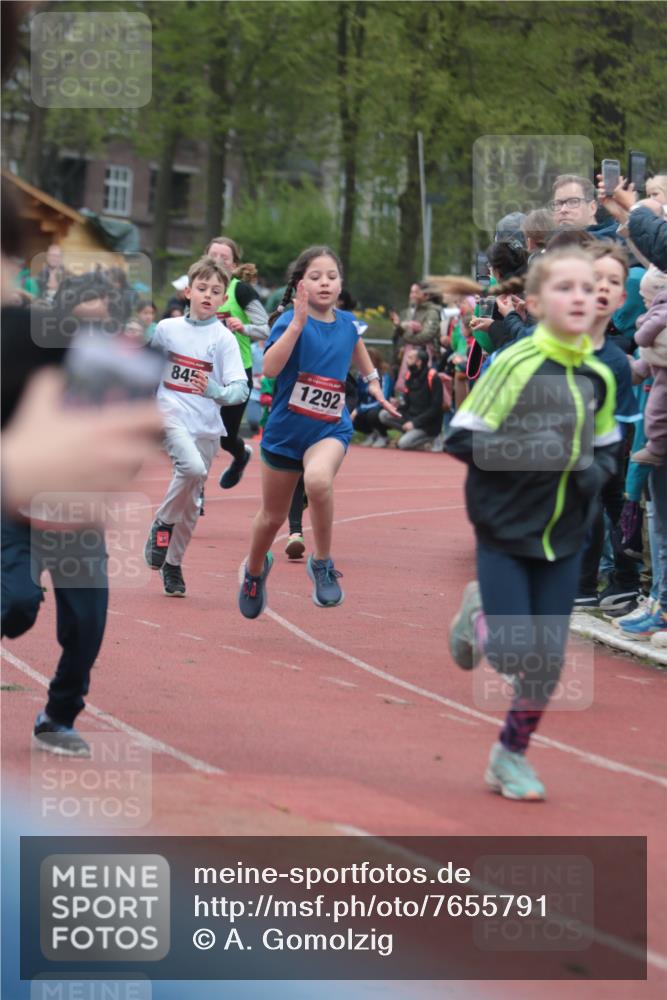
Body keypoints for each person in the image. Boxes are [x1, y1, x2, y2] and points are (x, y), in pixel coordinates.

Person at [446, 246, 621, 801]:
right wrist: (535, 451)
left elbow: (608, 449)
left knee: (546, 664)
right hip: (505, 529)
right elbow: (460, 437)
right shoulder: (515, 364)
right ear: (539, 302)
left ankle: (510, 756)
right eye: (565, 288)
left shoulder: (598, 376)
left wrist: (594, 474)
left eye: (588, 288)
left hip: (566, 537)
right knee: (515, 652)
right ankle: (480, 614)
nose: (580, 297)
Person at [238, 245, 399, 618]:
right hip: (285, 432)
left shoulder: (346, 323)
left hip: (329, 427)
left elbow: (357, 349)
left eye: (331, 276)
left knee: (318, 481)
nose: (324, 283)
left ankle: (322, 562)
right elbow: (273, 369)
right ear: (300, 285)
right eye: (315, 277)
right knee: (271, 518)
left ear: (340, 284)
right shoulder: (288, 322)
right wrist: (295, 325)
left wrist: (373, 382)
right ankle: (254, 571)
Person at [144, 256, 248, 596]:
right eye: (201, 288)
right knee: (188, 469)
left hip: (205, 426)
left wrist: (215, 390)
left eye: (215, 291)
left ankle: (173, 565)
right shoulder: (166, 329)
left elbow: (240, 389)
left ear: (222, 299)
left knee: (191, 506)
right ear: (188, 292)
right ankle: (161, 523)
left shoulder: (224, 340)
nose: (207, 295)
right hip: (170, 414)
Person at [575, 241, 641, 610]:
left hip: (611, 431)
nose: (602, 287)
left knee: (603, 496)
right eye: (594, 278)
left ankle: (610, 580)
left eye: (612, 282)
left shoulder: (615, 354)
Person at [206, 237, 270, 489]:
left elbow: (267, 328)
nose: (218, 262)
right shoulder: (197, 286)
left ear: (233, 266)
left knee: (225, 437)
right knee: (199, 433)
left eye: (225, 258)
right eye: (214, 256)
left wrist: (244, 327)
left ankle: (240, 455)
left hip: (235, 371)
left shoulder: (240, 291)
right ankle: (195, 490)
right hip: (202, 369)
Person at [630, 267, 667, 466]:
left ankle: (657, 448)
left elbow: (644, 337)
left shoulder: (662, 310)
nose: (643, 302)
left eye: (645, 298)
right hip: (656, 360)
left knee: (656, 408)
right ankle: (636, 370)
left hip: (663, 370)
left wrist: (639, 334)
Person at [377, 347, 443, 449]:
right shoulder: (409, 376)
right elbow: (406, 403)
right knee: (384, 414)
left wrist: (415, 423)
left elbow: (436, 408)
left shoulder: (433, 377)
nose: (406, 361)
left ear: (419, 362)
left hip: (428, 424)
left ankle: (431, 439)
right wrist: (397, 405)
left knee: (403, 444)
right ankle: (411, 435)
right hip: (411, 417)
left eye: (410, 358)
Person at [549, 173, 618, 240]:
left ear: (592, 208)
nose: (563, 210)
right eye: (558, 203)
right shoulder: (549, 243)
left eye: (573, 202)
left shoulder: (617, 242)